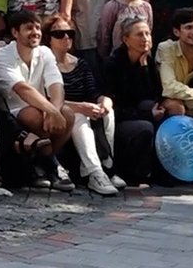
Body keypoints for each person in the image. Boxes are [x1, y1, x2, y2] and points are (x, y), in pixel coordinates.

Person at [0, 9, 119, 195]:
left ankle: (43, 165)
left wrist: (55, 110)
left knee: (67, 114)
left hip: (41, 106)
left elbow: (56, 85)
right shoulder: (2, 55)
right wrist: (51, 111)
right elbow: (23, 89)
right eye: (29, 28)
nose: (35, 32)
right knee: (35, 115)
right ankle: (52, 165)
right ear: (15, 32)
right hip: (10, 113)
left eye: (37, 28)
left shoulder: (45, 52)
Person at [48, 16, 152, 187]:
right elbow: (47, 98)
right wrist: (81, 107)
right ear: (49, 38)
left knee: (107, 112)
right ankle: (95, 172)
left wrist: (104, 100)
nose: (66, 37)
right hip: (63, 112)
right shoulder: (46, 64)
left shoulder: (81, 64)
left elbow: (93, 92)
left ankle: (108, 167)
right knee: (79, 117)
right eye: (59, 34)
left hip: (87, 109)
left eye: (70, 33)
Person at [102, 14, 168, 134]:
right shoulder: (113, 64)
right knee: (146, 127)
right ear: (126, 40)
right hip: (120, 119)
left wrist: (143, 67)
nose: (145, 39)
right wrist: (148, 115)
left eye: (147, 34)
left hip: (141, 113)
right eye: (139, 35)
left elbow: (153, 95)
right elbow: (117, 105)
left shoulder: (148, 61)